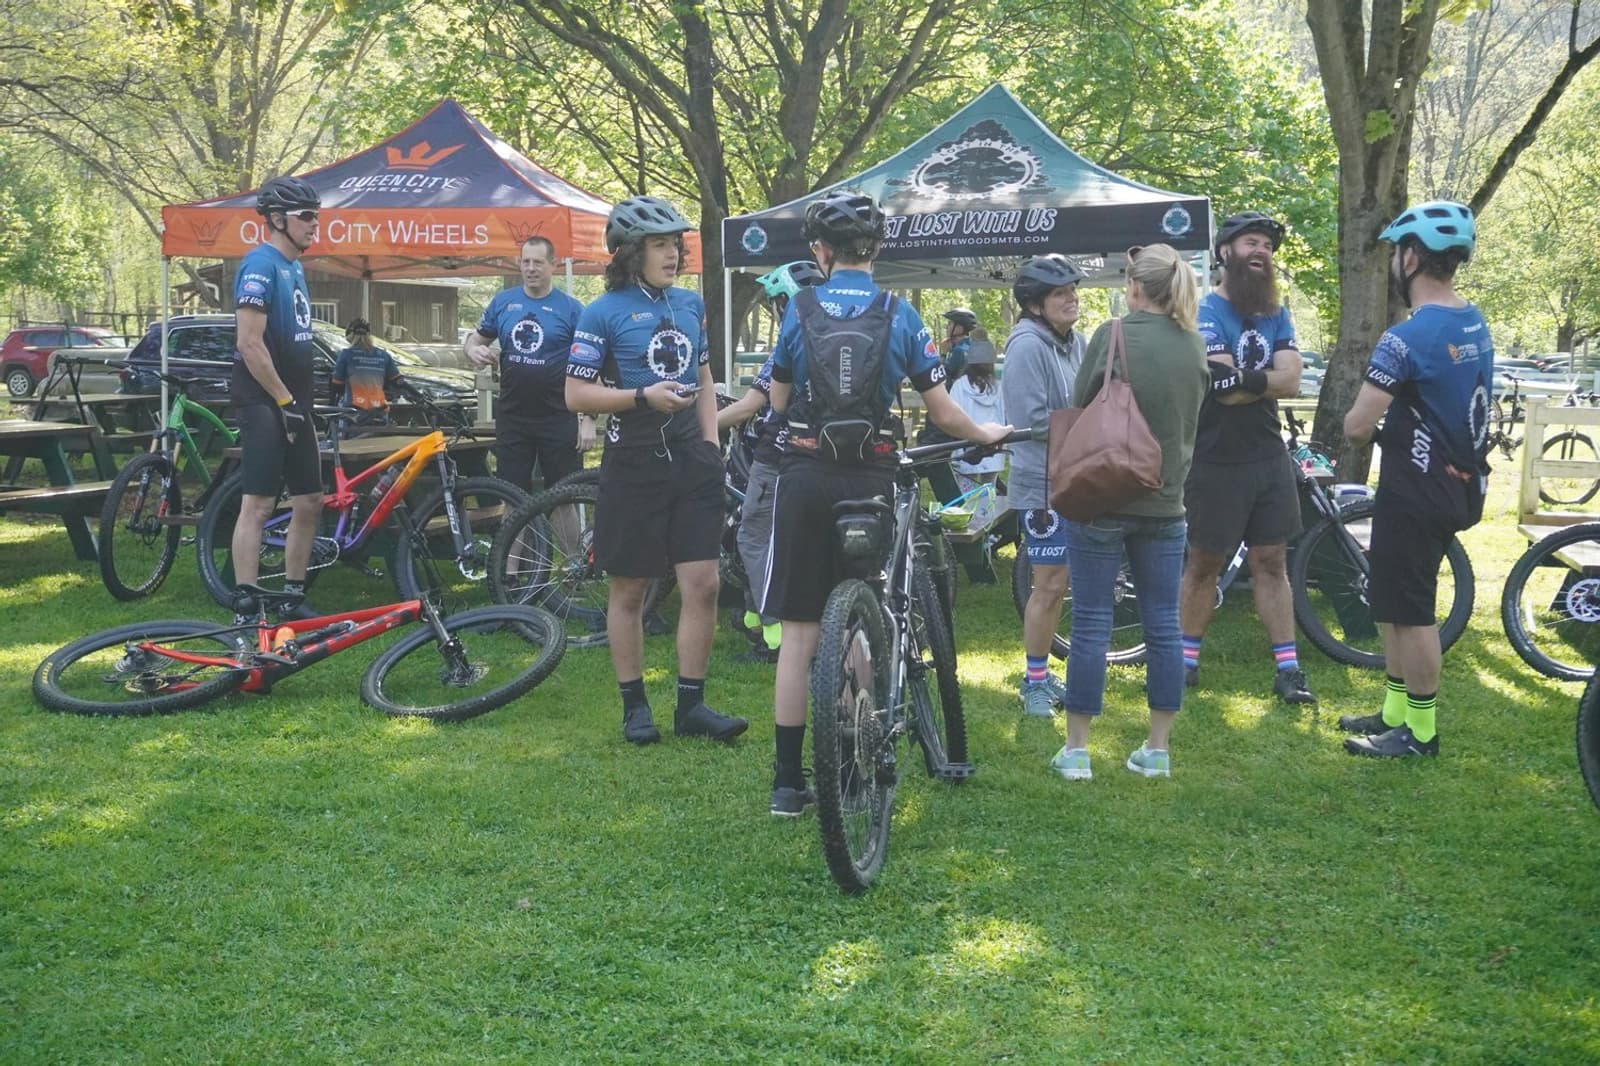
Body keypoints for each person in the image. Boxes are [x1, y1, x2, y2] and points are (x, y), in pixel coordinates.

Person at [762, 189, 1010, 816]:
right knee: (868, 615)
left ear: (820, 251)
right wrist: (987, 434)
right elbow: (943, 409)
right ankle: (855, 742)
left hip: (805, 475)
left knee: (797, 634)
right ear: (875, 250)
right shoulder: (900, 314)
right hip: (868, 479)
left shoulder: (800, 308)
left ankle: (788, 784)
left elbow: (779, 402)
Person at [565, 195, 747, 746]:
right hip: (632, 463)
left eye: (676, 244)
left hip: (693, 462)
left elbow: (707, 377)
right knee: (631, 590)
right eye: (660, 245)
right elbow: (576, 394)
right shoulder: (603, 312)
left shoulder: (691, 304)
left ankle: (691, 705)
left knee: (705, 583)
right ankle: (634, 706)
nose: (673, 254)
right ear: (629, 253)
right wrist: (642, 396)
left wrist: (713, 445)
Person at [1050, 244, 1210, 781]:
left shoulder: (1112, 335)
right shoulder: (1194, 346)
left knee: (1092, 621)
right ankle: (1157, 749)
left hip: (1102, 496)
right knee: (1164, 623)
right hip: (1166, 503)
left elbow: (1080, 402)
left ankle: (1076, 751)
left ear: (1135, 287)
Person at [1340, 201, 1490, 758]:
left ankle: (1419, 733)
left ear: (1409, 258)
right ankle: (1395, 710)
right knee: (1389, 600)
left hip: (1416, 489)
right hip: (1456, 483)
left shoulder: (1406, 338)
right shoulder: (1472, 320)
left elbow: (1356, 426)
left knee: (1411, 610)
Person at [1177, 210, 1315, 705]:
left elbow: (1292, 381)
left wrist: (1245, 379)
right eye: (1251, 242)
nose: (1262, 251)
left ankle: (1289, 670)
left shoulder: (1276, 313)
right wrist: (1260, 380)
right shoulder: (1204, 311)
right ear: (1224, 253)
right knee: (1203, 563)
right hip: (1214, 459)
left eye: (1268, 247)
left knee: (1272, 561)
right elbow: (1222, 389)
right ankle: (1185, 662)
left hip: (1266, 455)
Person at [715, 260, 826, 661]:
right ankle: (757, 618)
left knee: (754, 538)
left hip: (776, 457)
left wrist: (700, 428)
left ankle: (774, 633)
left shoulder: (790, 345)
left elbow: (750, 407)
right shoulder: (832, 342)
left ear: (785, 304)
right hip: (817, 459)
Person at [229, 175, 324, 619]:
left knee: (309, 500)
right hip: (265, 400)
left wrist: (298, 401)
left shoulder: (295, 267)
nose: (314, 224)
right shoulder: (259, 265)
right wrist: (284, 402)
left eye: (317, 216)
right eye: (307, 217)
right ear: (277, 219)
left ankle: (291, 594)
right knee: (260, 502)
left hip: (294, 400)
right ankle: (246, 599)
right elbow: (250, 344)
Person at [999, 254, 1088, 717]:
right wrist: (1091, 425)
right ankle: (1034, 682)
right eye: (1060, 293)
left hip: (1080, 478)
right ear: (1035, 304)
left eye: (1073, 289)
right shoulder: (1027, 346)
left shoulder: (1075, 342)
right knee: (1049, 584)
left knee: (1065, 582)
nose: (1071, 298)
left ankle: (1044, 674)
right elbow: (1029, 420)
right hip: (1044, 486)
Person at [466, 236, 591, 494]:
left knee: (564, 494)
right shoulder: (502, 303)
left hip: (558, 415)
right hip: (513, 416)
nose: (531, 268)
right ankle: (514, 537)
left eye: (538, 262)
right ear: (519, 264)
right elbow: (474, 340)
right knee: (511, 495)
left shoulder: (572, 309)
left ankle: (569, 538)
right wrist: (473, 350)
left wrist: (589, 416)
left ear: (553, 264)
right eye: (526, 262)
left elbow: (594, 364)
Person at [331, 318, 401, 415]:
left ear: (350, 336)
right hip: (380, 410)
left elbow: (337, 385)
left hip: (354, 411)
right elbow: (398, 381)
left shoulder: (346, 354)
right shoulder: (383, 355)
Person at [942, 306, 979, 384]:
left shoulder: (958, 351)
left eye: (950, 323)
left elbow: (942, 373)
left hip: (956, 394)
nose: (947, 327)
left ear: (959, 327)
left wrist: (943, 354)